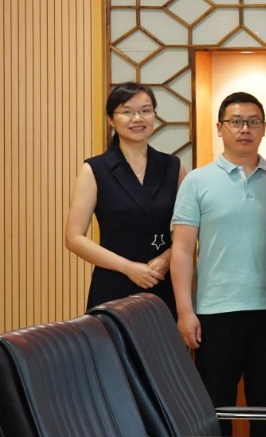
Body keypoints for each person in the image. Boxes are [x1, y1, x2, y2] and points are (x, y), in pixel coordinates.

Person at [171, 92, 266, 437]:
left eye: (253, 122)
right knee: (215, 405)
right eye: (236, 122)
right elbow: (182, 250)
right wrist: (185, 311)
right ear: (220, 128)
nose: (245, 129)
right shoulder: (197, 181)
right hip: (215, 312)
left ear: (264, 128)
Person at [65, 82, 184, 314]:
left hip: (162, 278)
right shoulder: (95, 169)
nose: (137, 118)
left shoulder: (174, 167)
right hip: (114, 282)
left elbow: (189, 228)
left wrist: (168, 257)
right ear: (111, 119)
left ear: (154, 115)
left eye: (145, 110)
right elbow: (74, 238)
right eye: (127, 112)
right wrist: (129, 268)